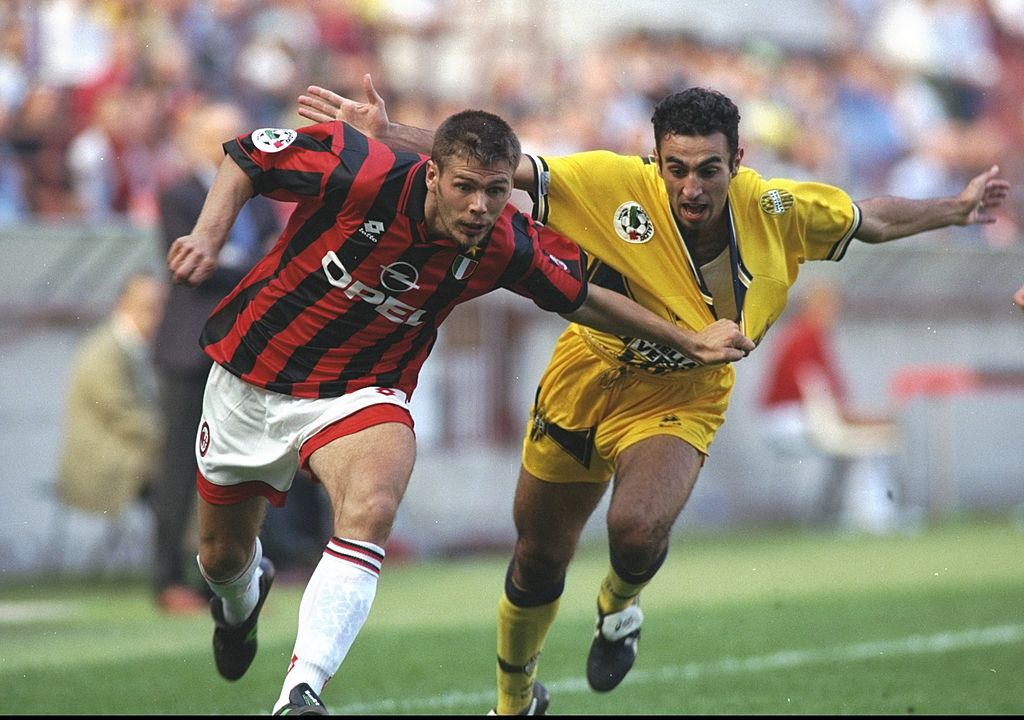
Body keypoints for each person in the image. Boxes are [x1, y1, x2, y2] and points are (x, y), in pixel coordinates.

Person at [296, 74, 1011, 714]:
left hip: (685, 393)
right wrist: (391, 136)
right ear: (655, 160)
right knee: (539, 557)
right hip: (586, 377)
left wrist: (955, 208)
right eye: (676, 170)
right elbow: (496, 166)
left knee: (636, 530)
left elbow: (870, 218)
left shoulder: (780, 209)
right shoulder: (609, 182)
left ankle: (620, 605)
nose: (691, 188)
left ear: (739, 159)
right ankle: (514, 703)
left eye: (708, 170)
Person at [167, 108, 753, 715]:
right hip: (250, 376)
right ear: (431, 177)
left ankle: (300, 692)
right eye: (465, 188)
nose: (480, 206)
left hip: (359, 391)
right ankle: (241, 603)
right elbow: (250, 155)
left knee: (371, 506)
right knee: (222, 559)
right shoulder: (367, 171)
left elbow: (584, 297)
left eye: (496, 191)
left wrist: (686, 339)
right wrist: (208, 236)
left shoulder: (504, 243)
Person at [150, 100, 282, 615]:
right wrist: (253, 266)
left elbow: (270, 256)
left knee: (232, 469)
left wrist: (244, 264)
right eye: (223, 135)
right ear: (200, 140)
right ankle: (165, 578)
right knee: (179, 470)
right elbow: (194, 266)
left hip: (240, 350)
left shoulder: (262, 198)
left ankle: (224, 577)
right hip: (189, 348)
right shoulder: (179, 194)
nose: (234, 143)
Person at [758, 280, 904, 533]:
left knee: (867, 440)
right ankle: (872, 517)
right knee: (867, 441)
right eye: (827, 305)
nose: (834, 311)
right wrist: (860, 419)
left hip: (800, 416)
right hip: (790, 419)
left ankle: (869, 513)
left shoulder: (812, 337)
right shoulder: (803, 339)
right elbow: (818, 400)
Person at [56, 271, 165, 521]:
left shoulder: (132, 346)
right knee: (182, 477)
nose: (159, 318)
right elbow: (125, 418)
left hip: (129, 450)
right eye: (149, 309)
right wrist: (173, 443)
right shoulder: (104, 352)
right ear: (122, 305)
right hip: (104, 461)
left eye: (161, 309)